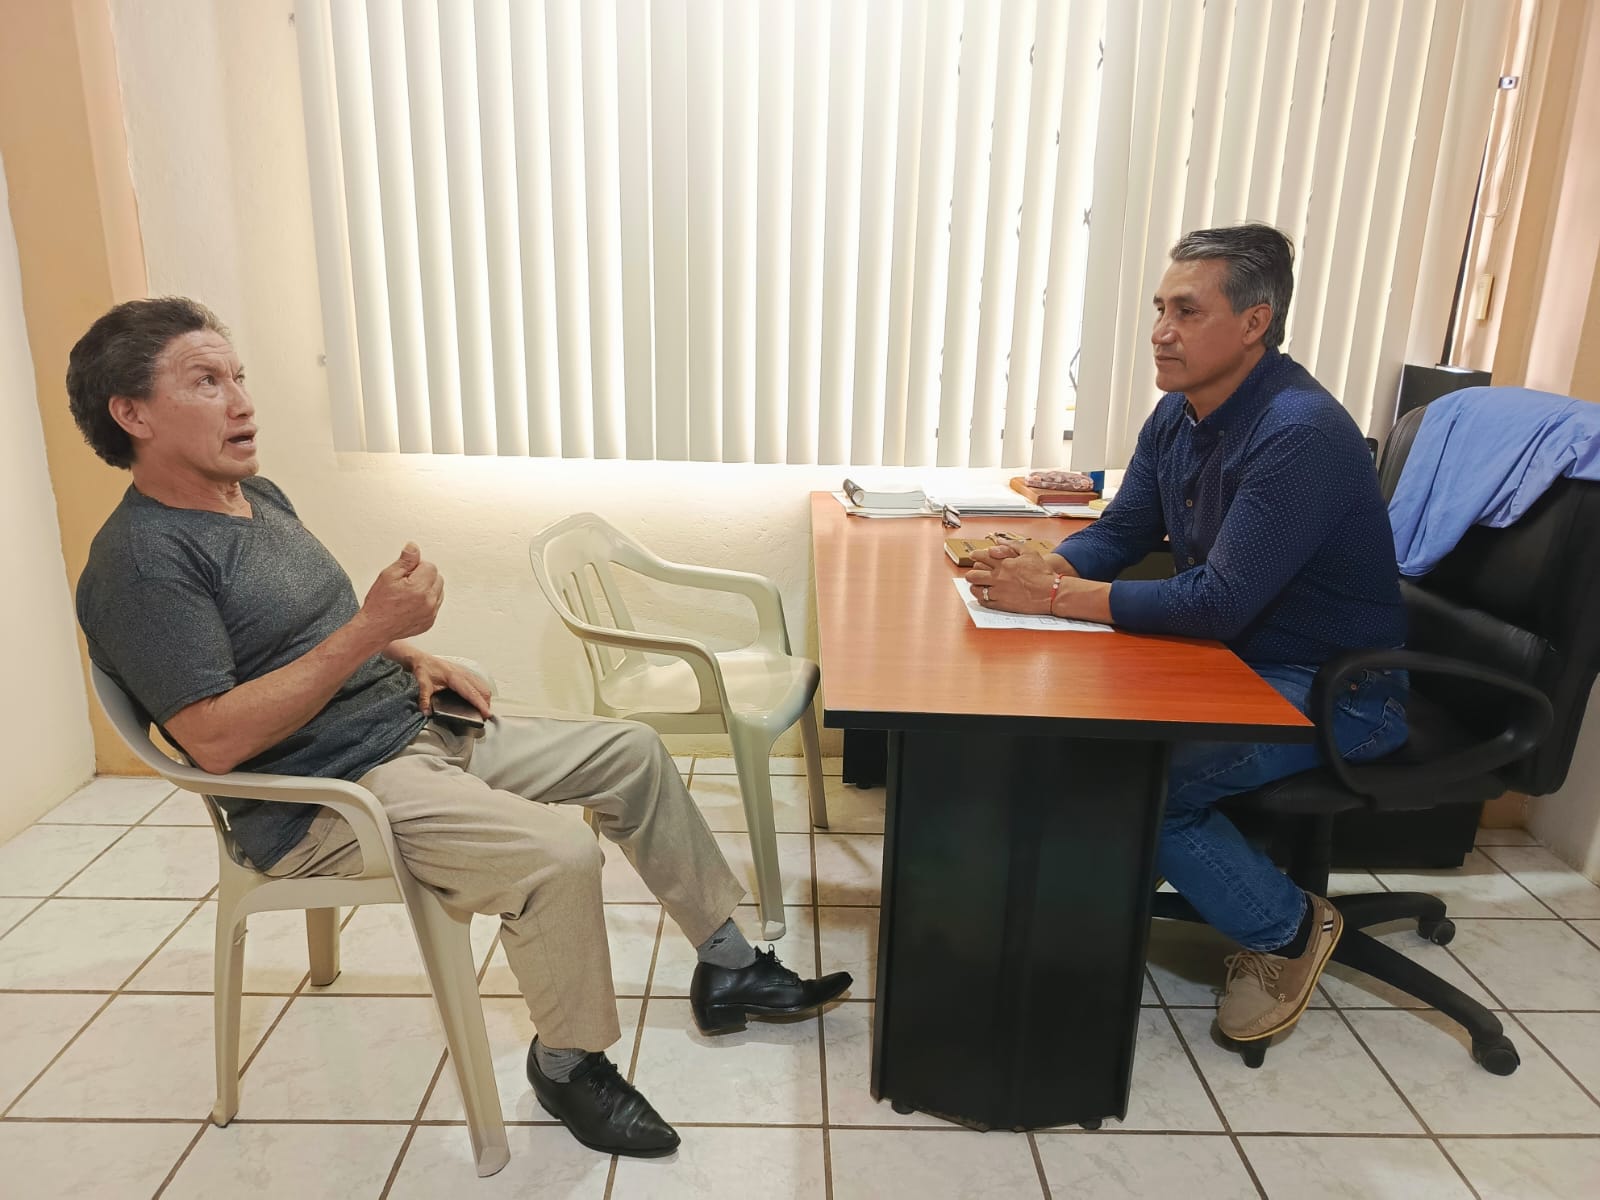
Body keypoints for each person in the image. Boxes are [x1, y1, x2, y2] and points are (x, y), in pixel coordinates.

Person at [68, 297, 850, 1160]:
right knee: (558, 855)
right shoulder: (141, 563)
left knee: (631, 750)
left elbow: (306, 630)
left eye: (238, 376)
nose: (243, 402)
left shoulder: (253, 494)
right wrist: (372, 629)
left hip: (406, 723)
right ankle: (567, 1065)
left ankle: (729, 967)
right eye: (207, 382)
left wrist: (408, 652)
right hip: (329, 794)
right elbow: (214, 741)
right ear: (132, 414)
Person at [966, 223, 1408, 1045]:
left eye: (1187, 311)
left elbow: (1217, 603)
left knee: (1146, 784)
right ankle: (1093, 910)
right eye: (1160, 309)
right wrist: (1048, 564)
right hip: (1236, 663)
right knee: (1083, 736)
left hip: (1339, 688)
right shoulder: (1180, 413)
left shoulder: (1298, 432)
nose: (1161, 331)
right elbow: (1123, 530)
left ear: (1254, 323)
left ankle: (1288, 932)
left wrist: (1055, 598)